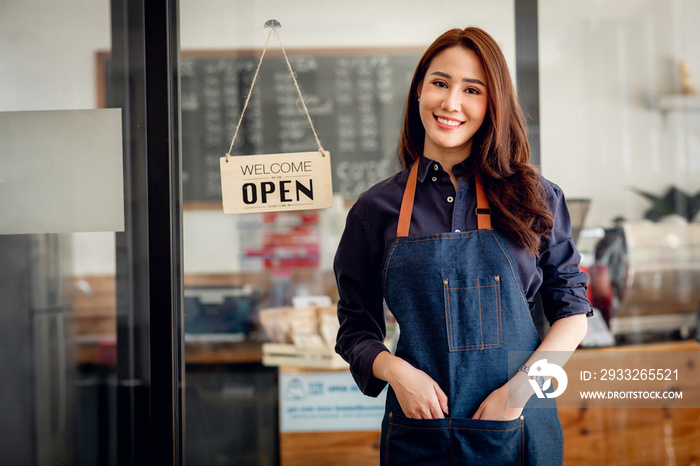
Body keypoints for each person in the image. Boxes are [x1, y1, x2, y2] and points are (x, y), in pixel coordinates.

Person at [333, 27, 592, 465]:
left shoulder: (535, 197)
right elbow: (355, 330)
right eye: (440, 83)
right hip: (419, 433)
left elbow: (573, 315)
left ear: (492, 104)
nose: (451, 103)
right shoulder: (374, 210)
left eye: (472, 90)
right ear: (419, 90)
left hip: (519, 425)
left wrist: (517, 393)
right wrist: (396, 373)